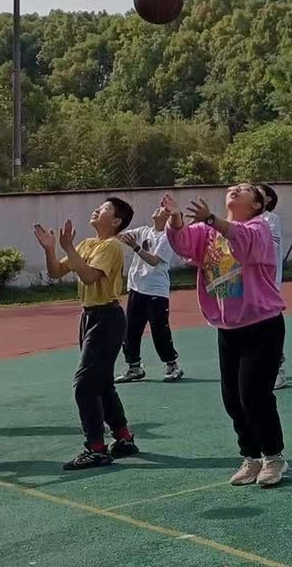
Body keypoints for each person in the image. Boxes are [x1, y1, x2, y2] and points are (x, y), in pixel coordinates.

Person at [168, 184, 289, 486]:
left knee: (254, 395)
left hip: (262, 324)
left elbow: (244, 243)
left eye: (245, 190)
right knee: (232, 398)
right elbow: (183, 243)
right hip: (228, 327)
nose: (236, 189)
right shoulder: (208, 232)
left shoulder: (258, 228)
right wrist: (174, 220)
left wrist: (212, 220)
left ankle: (273, 456)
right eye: (234, 187)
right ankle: (250, 456)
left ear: (257, 204)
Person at [35, 199, 140, 470]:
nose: (97, 209)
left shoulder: (111, 245)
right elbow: (56, 272)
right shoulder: (87, 244)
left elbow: (90, 276)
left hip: (107, 317)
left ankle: (96, 449)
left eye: (105, 209)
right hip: (90, 316)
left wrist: (68, 246)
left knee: (84, 384)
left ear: (116, 221)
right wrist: (50, 249)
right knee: (101, 382)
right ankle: (123, 438)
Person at [116, 200, 184, 384]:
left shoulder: (166, 237)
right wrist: (116, 221)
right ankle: (134, 367)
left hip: (156, 291)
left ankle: (172, 364)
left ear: (168, 217)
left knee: (159, 330)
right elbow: (120, 236)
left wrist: (136, 248)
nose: (158, 208)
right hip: (136, 288)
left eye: (163, 209)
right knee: (130, 330)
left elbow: (154, 261)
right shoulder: (144, 231)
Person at [258, 185, 288, 390]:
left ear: (266, 199)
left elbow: (270, 246)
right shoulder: (241, 220)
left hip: (267, 283)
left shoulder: (270, 219)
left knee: (269, 326)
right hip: (248, 285)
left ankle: (278, 369)